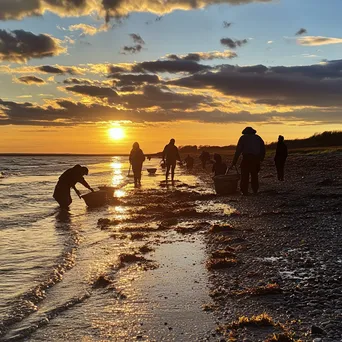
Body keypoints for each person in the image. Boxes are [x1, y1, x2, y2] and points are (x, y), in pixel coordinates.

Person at [232, 127, 265, 195]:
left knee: (244, 176)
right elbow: (263, 149)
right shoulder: (258, 138)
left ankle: (244, 191)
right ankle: (255, 190)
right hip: (256, 159)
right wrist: (261, 158)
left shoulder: (243, 138)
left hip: (246, 159)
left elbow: (238, 150)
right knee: (254, 175)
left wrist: (234, 161)